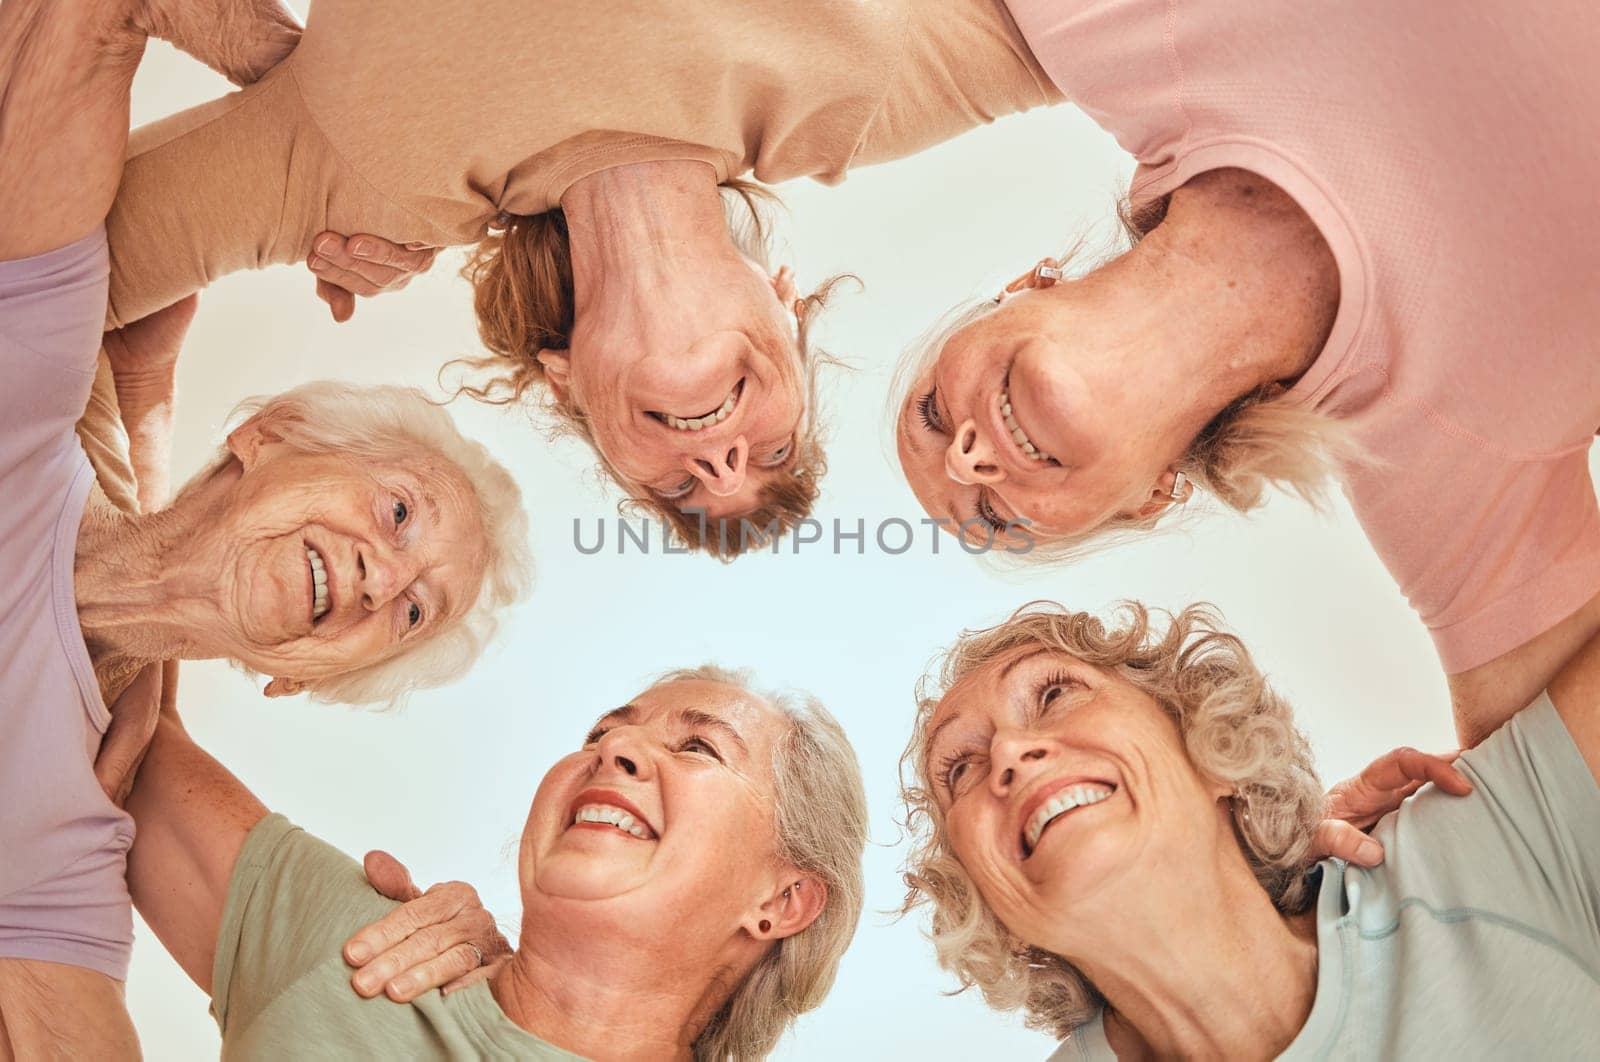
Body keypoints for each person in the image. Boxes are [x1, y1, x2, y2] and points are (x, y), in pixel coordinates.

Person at [0, 2, 529, 1052]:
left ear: (298, 680)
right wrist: (324, 109)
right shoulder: (29, 397)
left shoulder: (59, 828)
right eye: (398, 510)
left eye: (413, 610)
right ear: (271, 435)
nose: (385, 577)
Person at [100, 0, 1066, 554]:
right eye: (772, 456)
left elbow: (51, 287)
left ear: (566, 386)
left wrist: (142, 406)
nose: (722, 462)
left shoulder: (382, 188)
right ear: (784, 298)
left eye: (682, 494)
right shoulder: (858, 92)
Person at [893, 0, 1600, 745]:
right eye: (996, 518)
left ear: (1025, 287)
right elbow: (1549, 808)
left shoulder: (1134, 32)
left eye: (933, 415)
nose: (972, 457)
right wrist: (1281, 840)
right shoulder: (1446, 485)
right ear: (1149, 499)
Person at [900, 601, 1600, 1057]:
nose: (1008, 754)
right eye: (959, 769)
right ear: (991, 907)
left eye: (1053, 694)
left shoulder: (1478, 846)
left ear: (1214, 748)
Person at [123, 666, 869, 1059]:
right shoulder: (371, 951)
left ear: (783, 900)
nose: (614, 749)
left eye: (699, 747)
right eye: (603, 732)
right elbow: (121, 727)